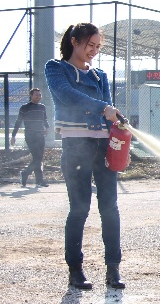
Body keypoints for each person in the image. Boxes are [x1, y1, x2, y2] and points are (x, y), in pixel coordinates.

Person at [45, 22, 126, 290]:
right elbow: (66, 96)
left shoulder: (100, 75)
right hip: (76, 146)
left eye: (98, 46)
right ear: (74, 42)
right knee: (79, 209)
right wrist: (104, 107)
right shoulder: (56, 68)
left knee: (110, 209)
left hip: (103, 147)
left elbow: (108, 112)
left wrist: (119, 134)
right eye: (89, 45)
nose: (93, 51)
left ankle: (113, 268)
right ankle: (75, 269)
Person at [10, 88, 50, 187]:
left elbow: (44, 119)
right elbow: (18, 122)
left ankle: (38, 180)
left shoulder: (42, 107)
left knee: (38, 158)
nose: (38, 97)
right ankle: (26, 174)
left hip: (40, 134)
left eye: (40, 95)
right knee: (37, 157)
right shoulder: (25, 107)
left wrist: (47, 127)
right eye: (36, 95)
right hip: (30, 135)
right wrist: (13, 135)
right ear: (31, 95)